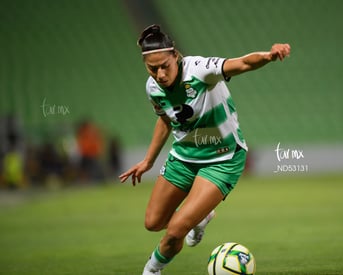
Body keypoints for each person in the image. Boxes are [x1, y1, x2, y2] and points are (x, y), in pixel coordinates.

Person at [119, 24, 291, 275]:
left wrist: (268, 56)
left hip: (222, 158)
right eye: (152, 68)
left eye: (164, 66)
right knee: (153, 222)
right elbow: (166, 120)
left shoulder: (199, 70)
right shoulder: (152, 87)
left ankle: (151, 270)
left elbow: (241, 63)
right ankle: (200, 218)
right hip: (185, 155)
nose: (160, 74)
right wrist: (148, 161)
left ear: (175, 56)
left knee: (176, 229)